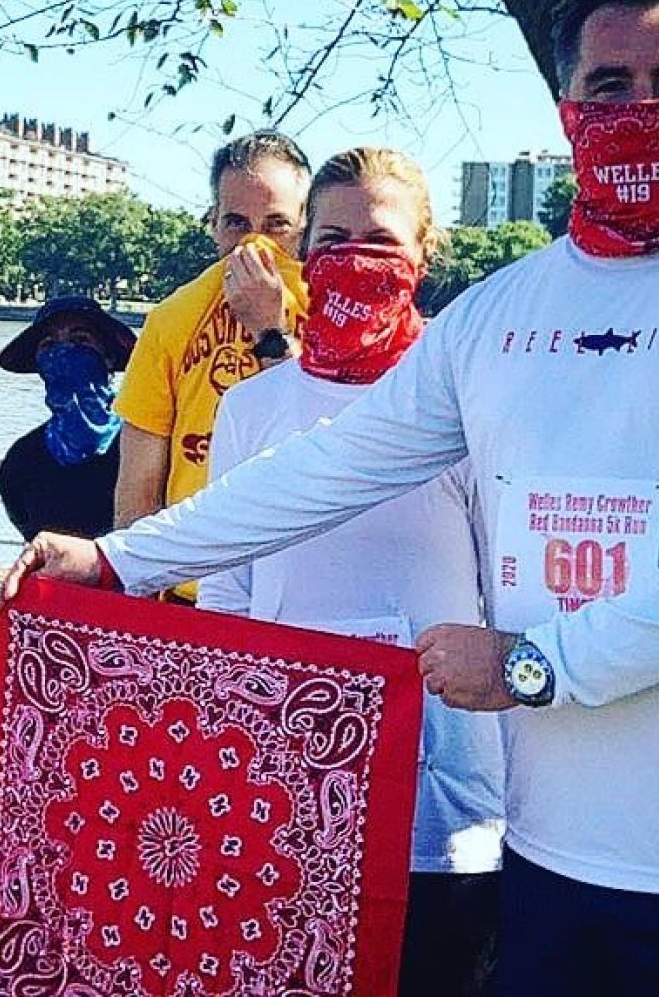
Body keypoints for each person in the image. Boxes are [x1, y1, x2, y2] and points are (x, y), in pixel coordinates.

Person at [6, 0, 659, 995]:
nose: (640, 110)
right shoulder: (501, 317)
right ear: (566, 106)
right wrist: (118, 556)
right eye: (609, 82)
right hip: (554, 862)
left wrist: (536, 665)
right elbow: (328, 467)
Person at [190, 147, 505, 996]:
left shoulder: (471, 397)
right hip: (290, 778)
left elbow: (509, 581)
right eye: (333, 237)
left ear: (423, 257)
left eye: (381, 238)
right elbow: (227, 585)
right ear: (303, 255)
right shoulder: (253, 406)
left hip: (444, 792)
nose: (355, 258)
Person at [112, 131, 311, 600]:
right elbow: (138, 489)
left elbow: (325, 434)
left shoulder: (330, 313)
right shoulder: (172, 320)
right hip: (192, 593)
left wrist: (270, 329)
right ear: (214, 224)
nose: (257, 245)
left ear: (305, 226)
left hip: (301, 592)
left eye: (277, 224)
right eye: (238, 223)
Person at [0, 295, 138, 540]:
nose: (64, 352)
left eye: (81, 339)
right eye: (48, 345)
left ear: (108, 357)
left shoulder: (144, 445)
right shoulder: (21, 461)